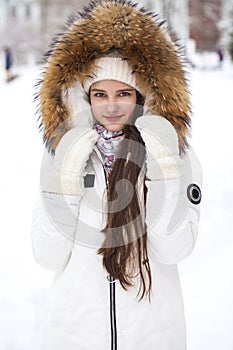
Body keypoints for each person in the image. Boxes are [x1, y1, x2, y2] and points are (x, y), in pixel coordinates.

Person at [31, 1, 202, 349]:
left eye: (124, 93)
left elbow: (175, 249)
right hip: (75, 335)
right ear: (84, 98)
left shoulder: (177, 154)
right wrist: (64, 179)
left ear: (142, 96)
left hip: (153, 336)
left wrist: (164, 167)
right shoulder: (61, 156)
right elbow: (47, 255)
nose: (111, 106)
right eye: (100, 94)